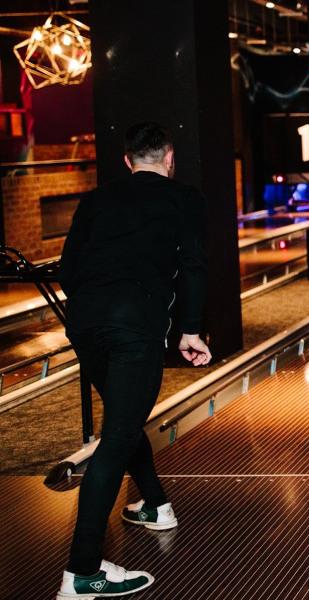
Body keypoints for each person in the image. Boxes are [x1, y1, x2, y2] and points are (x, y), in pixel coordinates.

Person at [55, 122, 212, 598]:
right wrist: (190, 328)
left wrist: (93, 310)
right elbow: (194, 266)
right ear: (169, 158)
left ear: (126, 161)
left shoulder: (95, 200)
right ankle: (81, 572)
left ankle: (156, 506)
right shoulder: (183, 199)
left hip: (85, 324)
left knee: (124, 418)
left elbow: (68, 270)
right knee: (118, 435)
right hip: (134, 325)